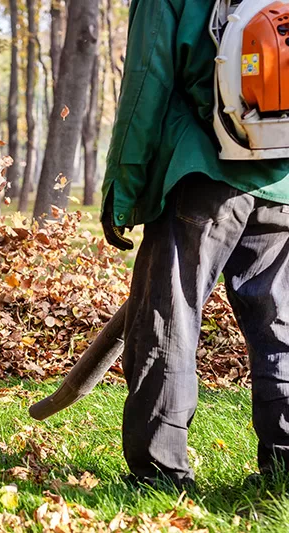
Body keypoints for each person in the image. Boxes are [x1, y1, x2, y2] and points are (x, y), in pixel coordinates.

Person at [102, 0, 289, 489]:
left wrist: (122, 192)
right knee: (281, 325)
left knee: (168, 319)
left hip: (202, 174)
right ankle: (286, 465)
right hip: (283, 179)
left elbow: (146, 84)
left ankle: (160, 473)